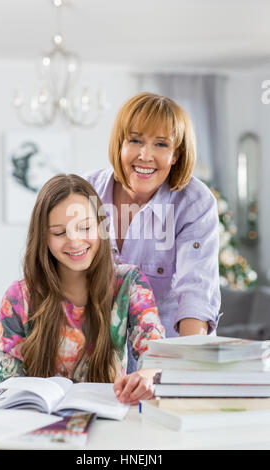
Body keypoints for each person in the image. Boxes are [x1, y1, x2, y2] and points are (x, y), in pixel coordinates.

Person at [0, 173, 164, 404]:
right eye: (59, 232)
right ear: (43, 237)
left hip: (109, 419)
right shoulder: (18, 297)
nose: (75, 241)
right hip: (38, 423)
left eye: (85, 227)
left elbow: (155, 350)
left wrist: (147, 376)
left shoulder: (130, 283)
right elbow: (11, 385)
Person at [84, 92, 221, 366]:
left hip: (169, 351)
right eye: (135, 140)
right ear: (119, 144)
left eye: (161, 144)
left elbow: (195, 290)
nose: (145, 156)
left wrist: (186, 366)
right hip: (97, 355)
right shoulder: (87, 192)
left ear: (175, 154)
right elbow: (53, 275)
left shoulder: (194, 203)